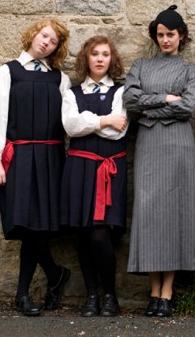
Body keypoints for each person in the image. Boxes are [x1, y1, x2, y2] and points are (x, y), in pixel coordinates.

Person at [124, 5, 195, 318]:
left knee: (174, 211)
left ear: (181, 35)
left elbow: (187, 108)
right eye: (160, 35)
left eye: (170, 34)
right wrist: (164, 99)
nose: (165, 40)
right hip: (148, 145)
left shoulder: (190, 70)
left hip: (177, 145)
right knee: (149, 212)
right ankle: (153, 290)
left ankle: (167, 291)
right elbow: (130, 100)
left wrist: (150, 110)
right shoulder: (140, 65)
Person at [0, 19, 72, 317]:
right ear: (34, 35)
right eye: (44, 35)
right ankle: (53, 274)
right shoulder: (8, 72)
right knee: (24, 223)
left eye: (54, 41)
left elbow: (68, 120)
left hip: (50, 158)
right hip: (19, 157)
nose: (47, 42)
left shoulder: (59, 79)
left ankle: (23, 294)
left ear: (57, 48)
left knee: (39, 225)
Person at [60, 35, 128, 317]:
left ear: (112, 59)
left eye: (105, 54)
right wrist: (104, 120)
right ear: (85, 58)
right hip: (79, 168)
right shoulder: (72, 93)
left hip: (108, 170)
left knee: (101, 234)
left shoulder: (121, 92)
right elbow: (70, 126)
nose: (100, 59)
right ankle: (90, 296)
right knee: (83, 234)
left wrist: (89, 122)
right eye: (95, 54)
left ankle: (110, 295)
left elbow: (118, 130)